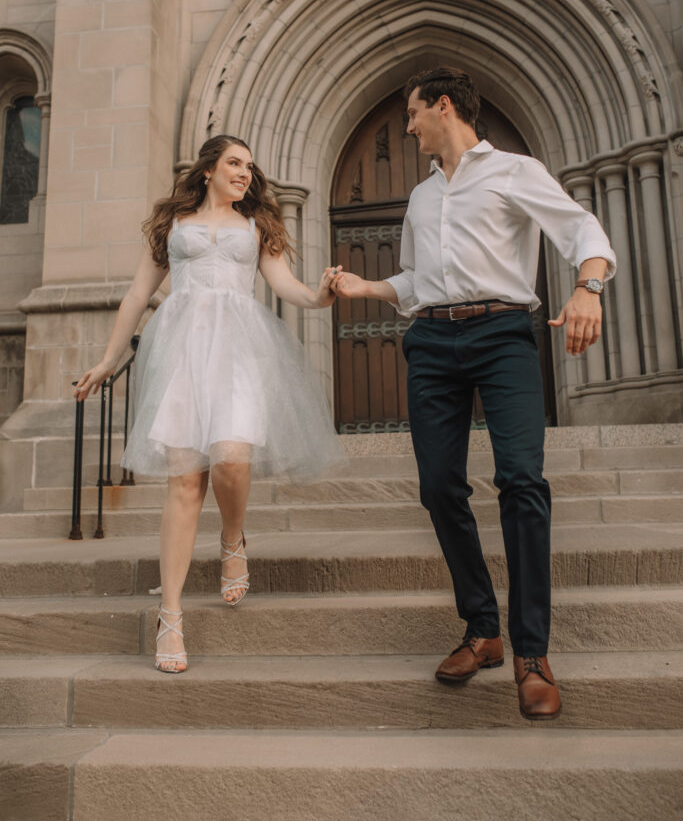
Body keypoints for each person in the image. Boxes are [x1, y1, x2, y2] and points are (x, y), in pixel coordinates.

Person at [331, 67, 616, 720]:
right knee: (438, 487)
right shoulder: (423, 196)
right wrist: (363, 289)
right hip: (431, 344)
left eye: (411, 113)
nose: (406, 127)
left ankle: (531, 654)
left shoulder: (514, 171)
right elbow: (413, 280)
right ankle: (482, 628)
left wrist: (586, 289)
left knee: (520, 480)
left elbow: (582, 234)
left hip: (501, 333)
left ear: (443, 106)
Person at [75, 135, 343, 673]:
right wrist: (107, 361)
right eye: (234, 164)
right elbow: (137, 295)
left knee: (231, 457)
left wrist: (319, 297)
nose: (245, 173)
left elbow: (284, 284)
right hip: (181, 354)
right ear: (208, 171)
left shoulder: (258, 226)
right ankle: (169, 617)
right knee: (183, 478)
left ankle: (232, 535)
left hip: (240, 351)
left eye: (249, 166)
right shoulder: (173, 226)